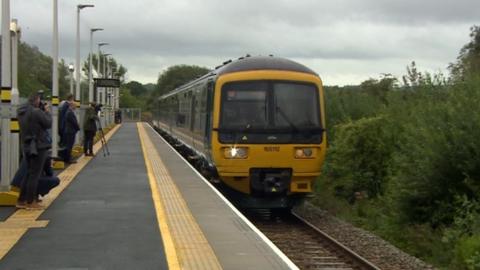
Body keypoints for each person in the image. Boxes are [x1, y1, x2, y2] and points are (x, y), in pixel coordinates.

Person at [17, 92, 52, 210]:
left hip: (26, 145)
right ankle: (31, 202)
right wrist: (46, 112)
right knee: (34, 175)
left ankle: (21, 200)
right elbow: (48, 123)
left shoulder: (21, 111)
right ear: (37, 100)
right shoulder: (36, 112)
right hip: (38, 146)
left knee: (28, 173)